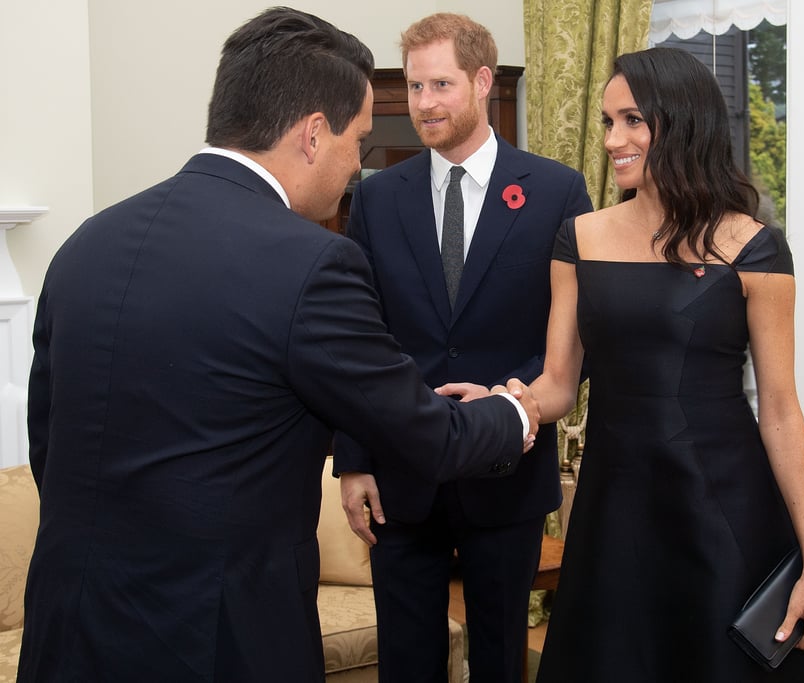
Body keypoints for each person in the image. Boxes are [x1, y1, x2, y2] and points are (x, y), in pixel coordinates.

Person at [17, 8, 540, 683]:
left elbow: (47, 442)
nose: (359, 162)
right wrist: (515, 413)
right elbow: (423, 434)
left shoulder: (87, 242)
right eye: (357, 137)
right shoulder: (310, 263)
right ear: (313, 135)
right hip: (216, 639)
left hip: (68, 627)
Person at [517, 47, 804, 681]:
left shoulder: (754, 247)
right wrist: (510, 405)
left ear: (681, 122)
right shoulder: (579, 238)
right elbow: (558, 383)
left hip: (721, 507)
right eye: (607, 121)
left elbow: (780, 410)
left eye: (632, 120)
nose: (613, 139)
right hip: (613, 509)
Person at [331, 12, 592, 683]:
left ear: (482, 81)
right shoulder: (378, 197)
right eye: (415, 88)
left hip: (508, 467)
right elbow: (357, 335)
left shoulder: (557, 191)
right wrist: (352, 461)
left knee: (501, 659)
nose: (424, 104)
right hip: (400, 477)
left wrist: (513, 399)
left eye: (440, 85)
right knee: (407, 663)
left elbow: (572, 334)